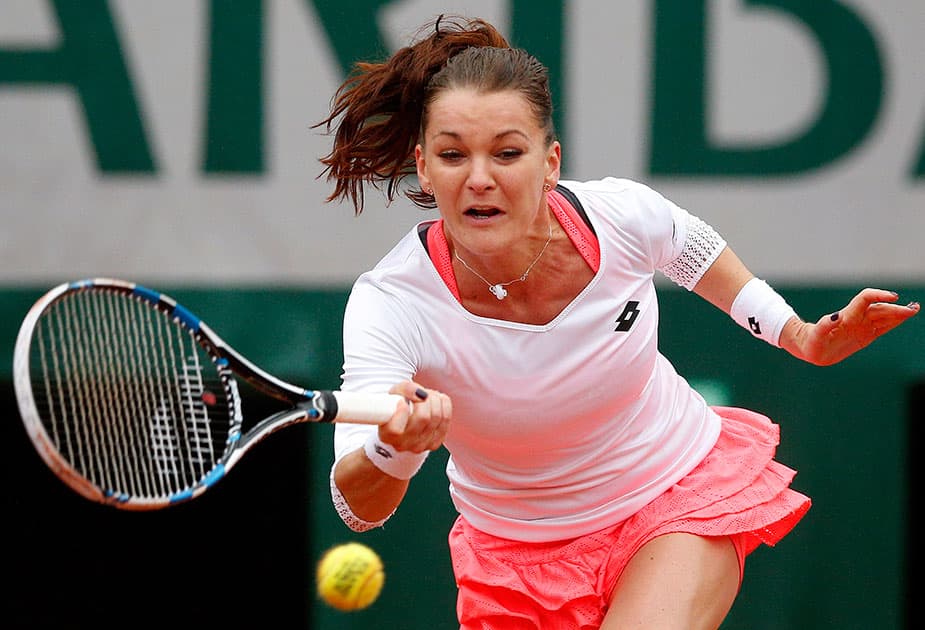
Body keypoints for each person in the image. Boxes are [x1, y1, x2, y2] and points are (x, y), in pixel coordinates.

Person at [313, 15, 920, 629]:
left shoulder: (624, 217)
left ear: (550, 163)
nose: (479, 178)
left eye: (507, 153)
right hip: (513, 558)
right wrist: (395, 446)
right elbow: (355, 505)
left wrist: (802, 337)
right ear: (423, 168)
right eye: (452, 155)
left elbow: (697, 254)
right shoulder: (390, 303)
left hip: (672, 497)